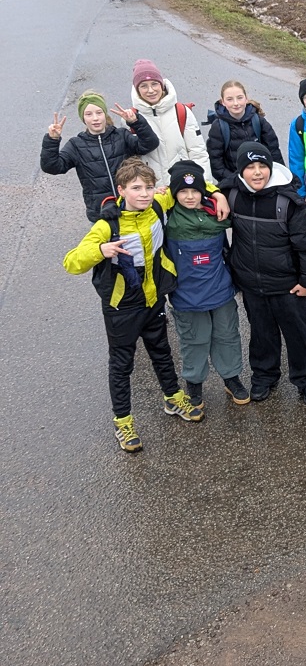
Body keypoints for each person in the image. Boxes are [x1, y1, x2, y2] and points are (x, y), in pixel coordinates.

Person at [62, 158, 204, 452]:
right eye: (136, 188)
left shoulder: (155, 206)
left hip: (153, 297)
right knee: (122, 364)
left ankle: (172, 397)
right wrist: (100, 250)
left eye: (149, 187)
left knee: (162, 352)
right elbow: (71, 262)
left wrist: (213, 193)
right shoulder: (107, 224)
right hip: (121, 306)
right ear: (121, 190)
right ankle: (123, 421)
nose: (144, 193)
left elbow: (183, 184)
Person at [226, 141, 306, 406]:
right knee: (261, 334)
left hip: (287, 285)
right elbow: (205, 191)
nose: (257, 173)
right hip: (251, 283)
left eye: (262, 166)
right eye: (250, 167)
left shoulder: (288, 202)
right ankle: (264, 376)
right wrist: (214, 195)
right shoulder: (232, 194)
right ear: (240, 171)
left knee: (298, 334)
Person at [163, 159, 249, 410]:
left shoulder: (217, 211)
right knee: (194, 340)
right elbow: (138, 203)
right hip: (186, 295)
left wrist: (217, 194)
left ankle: (231, 377)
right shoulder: (167, 214)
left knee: (227, 335)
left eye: (195, 191)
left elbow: (238, 187)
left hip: (220, 289)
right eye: (183, 191)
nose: (190, 197)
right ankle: (194, 383)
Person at [41, 90, 160, 222]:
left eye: (99, 112)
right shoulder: (76, 145)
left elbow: (149, 144)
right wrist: (52, 140)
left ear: (105, 114)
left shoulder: (121, 135)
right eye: (89, 114)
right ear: (83, 118)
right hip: (101, 213)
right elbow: (52, 167)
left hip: (131, 208)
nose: (95, 118)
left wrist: (136, 122)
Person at [130, 58, 212, 187]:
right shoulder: (131, 119)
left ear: (161, 84)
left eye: (154, 84)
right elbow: (131, 163)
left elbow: (198, 153)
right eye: (143, 86)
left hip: (184, 188)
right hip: (153, 194)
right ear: (137, 89)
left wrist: (206, 187)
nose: (150, 90)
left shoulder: (181, 112)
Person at [206, 79, 284, 191]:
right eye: (229, 99)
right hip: (234, 186)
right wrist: (237, 182)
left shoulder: (259, 121)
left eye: (239, 97)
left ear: (246, 98)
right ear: (222, 102)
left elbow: (274, 153)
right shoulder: (218, 127)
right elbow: (216, 163)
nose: (236, 103)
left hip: (262, 182)